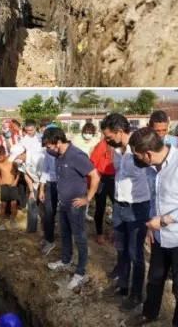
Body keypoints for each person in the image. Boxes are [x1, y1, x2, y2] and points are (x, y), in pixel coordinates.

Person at [127, 128, 178, 327]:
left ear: (148, 154)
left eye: (137, 155)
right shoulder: (151, 168)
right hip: (161, 235)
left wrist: (163, 220)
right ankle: (149, 314)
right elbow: (155, 199)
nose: (136, 160)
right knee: (154, 279)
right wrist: (152, 226)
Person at [99, 114, 151, 312]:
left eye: (109, 136)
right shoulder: (116, 151)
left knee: (135, 253)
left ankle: (136, 294)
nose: (107, 140)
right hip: (119, 207)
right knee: (121, 249)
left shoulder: (139, 150)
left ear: (120, 131)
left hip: (137, 208)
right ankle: (122, 286)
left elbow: (153, 180)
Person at [43, 128, 100, 290]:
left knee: (80, 238)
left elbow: (95, 176)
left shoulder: (76, 156)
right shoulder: (57, 153)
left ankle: (81, 273)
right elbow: (48, 150)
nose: (48, 150)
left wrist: (87, 199)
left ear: (58, 142)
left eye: (50, 146)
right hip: (63, 203)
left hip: (76, 205)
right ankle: (66, 261)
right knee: (65, 234)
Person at [89, 134, 116, 245]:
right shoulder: (101, 145)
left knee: (118, 207)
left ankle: (114, 231)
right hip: (101, 179)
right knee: (100, 207)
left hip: (115, 179)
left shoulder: (119, 145)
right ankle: (99, 233)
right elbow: (92, 163)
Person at [38, 121, 59, 256]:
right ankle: (49, 239)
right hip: (51, 184)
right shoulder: (47, 151)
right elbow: (45, 169)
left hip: (64, 185)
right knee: (48, 214)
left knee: (66, 215)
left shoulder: (66, 151)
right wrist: (42, 189)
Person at [12, 144, 42, 234]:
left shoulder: (36, 158)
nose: (16, 159)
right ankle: (31, 229)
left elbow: (45, 175)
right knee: (31, 203)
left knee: (44, 209)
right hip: (36, 183)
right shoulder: (21, 162)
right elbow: (26, 175)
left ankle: (47, 234)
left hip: (47, 183)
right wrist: (32, 191)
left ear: (22, 154)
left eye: (17, 156)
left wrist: (42, 190)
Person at [0, 146, 19, 231]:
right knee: (3, 205)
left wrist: (16, 181)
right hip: (4, 186)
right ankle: (2, 222)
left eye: (0, 157)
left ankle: (13, 220)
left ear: (4, 154)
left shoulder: (11, 160)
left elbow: (18, 171)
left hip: (13, 185)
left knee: (14, 204)